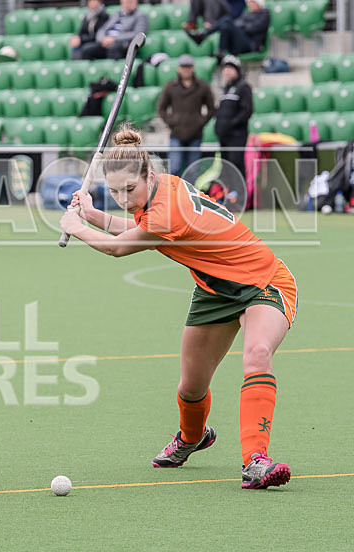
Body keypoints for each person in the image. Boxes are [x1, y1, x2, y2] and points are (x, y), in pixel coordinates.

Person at [59, 123, 295, 490]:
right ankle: (192, 438)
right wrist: (92, 216)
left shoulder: (167, 211)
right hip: (214, 289)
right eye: (114, 192)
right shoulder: (158, 189)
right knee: (191, 387)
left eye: (129, 190)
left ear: (148, 175)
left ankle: (256, 461)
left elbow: (118, 247)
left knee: (258, 353)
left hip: (262, 281)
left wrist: (75, 226)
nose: (124, 198)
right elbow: (137, 228)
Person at [157, 54, 216, 177]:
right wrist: (172, 122)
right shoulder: (170, 86)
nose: (186, 70)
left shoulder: (202, 86)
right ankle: (172, 195)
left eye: (188, 67)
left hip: (196, 135)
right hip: (176, 135)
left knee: (193, 171)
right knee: (174, 168)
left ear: (193, 68)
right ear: (179, 68)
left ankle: (189, 196)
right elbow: (161, 108)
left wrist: (200, 123)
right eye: (183, 67)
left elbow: (211, 109)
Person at [215, 55, 252, 189]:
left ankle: (241, 196)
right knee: (226, 166)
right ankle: (229, 196)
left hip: (237, 136)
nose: (227, 71)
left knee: (236, 164)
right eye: (225, 68)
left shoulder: (243, 87)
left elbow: (247, 111)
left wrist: (231, 124)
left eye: (230, 68)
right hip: (224, 136)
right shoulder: (225, 89)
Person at [189, 0, 270, 56]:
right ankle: (221, 52)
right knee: (225, 25)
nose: (250, 4)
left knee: (227, 20)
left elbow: (253, 28)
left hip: (250, 45)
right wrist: (241, 26)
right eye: (249, 2)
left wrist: (241, 26)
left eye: (253, 2)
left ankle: (203, 35)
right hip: (239, 42)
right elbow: (238, 23)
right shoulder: (246, 14)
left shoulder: (264, 14)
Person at [80, 0, 149, 61]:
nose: (128, 3)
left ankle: (112, 73)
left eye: (131, 1)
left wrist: (114, 39)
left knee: (114, 48)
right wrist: (102, 39)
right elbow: (102, 29)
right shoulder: (117, 14)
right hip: (106, 42)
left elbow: (138, 34)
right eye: (126, 1)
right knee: (87, 49)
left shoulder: (140, 15)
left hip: (122, 44)